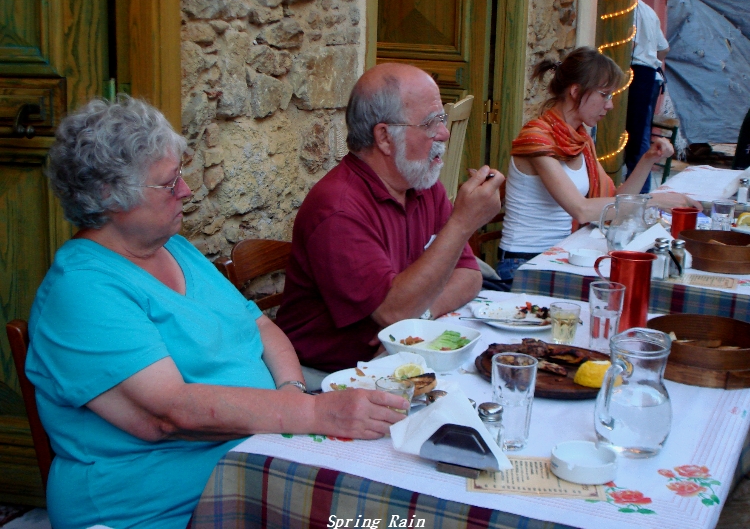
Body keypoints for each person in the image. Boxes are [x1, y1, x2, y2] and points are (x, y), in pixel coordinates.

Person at [25, 96, 408, 529]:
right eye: (169, 184)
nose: (186, 191)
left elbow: (260, 325)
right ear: (110, 195)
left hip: (256, 466)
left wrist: (291, 392)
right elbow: (168, 413)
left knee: (399, 487)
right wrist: (316, 414)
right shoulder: (82, 290)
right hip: (159, 510)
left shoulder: (174, 248)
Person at [275, 63, 504, 378]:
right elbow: (394, 311)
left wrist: (417, 321)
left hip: (400, 361)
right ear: (384, 137)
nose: (444, 132)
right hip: (328, 379)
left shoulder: (422, 185)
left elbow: (469, 275)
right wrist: (463, 223)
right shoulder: (338, 210)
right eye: (431, 123)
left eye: (442, 119)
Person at [498, 47, 700, 284]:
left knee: (638, 278)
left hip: (563, 253)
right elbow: (581, 210)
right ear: (575, 91)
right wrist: (656, 200)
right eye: (604, 95)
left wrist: (647, 160)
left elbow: (615, 204)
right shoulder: (536, 138)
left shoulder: (579, 138)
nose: (610, 105)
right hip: (522, 264)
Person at [624, 0, 670, 193]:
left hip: (638, 72)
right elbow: (664, 48)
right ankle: (639, 190)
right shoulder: (649, 10)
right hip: (651, 74)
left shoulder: (630, 8)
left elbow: (630, 44)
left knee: (636, 138)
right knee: (641, 134)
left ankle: (639, 193)